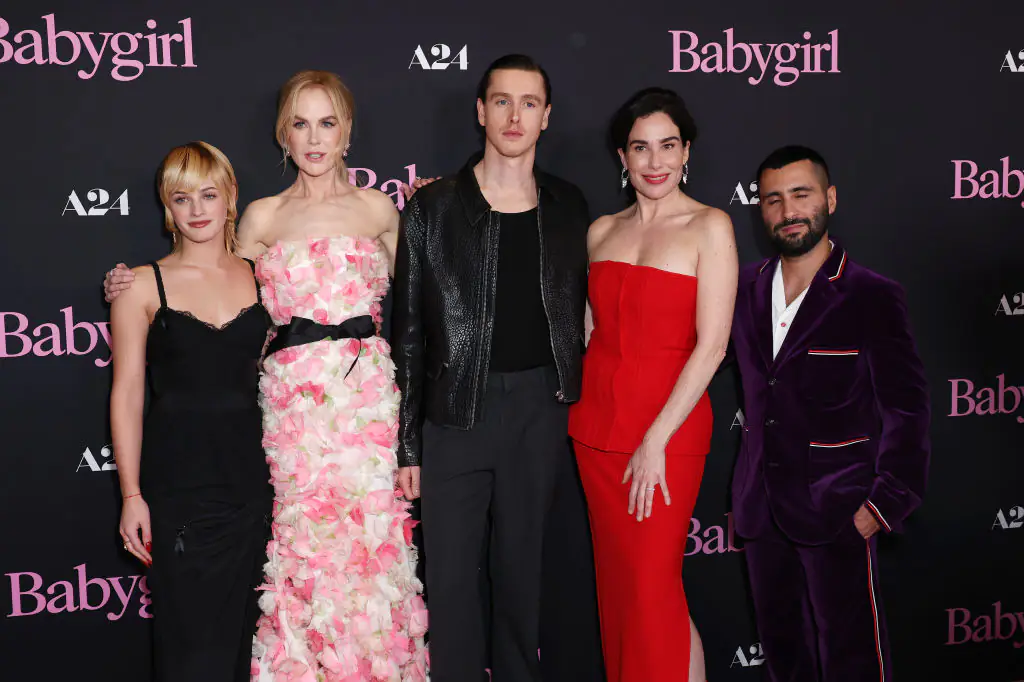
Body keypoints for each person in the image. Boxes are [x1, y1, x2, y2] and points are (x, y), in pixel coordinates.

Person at [104, 70, 428, 682]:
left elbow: (419, 307)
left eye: (326, 122)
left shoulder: (379, 210)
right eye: (299, 124)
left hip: (365, 410)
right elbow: (220, 292)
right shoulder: (259, 220)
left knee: (368, 555)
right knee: (301, 556)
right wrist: (127, 286)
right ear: (283, 134)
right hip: (292, 415)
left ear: (348, 131)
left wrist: (440, 206)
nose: (314, 138)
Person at [391, 54, 602, 682]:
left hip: (540, 410)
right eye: (502, 101)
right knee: (450, 586)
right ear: (481, 111)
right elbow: (406, 334)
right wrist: (408, 444)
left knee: (521, 579)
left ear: (546, 117)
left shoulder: (570, 205)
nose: (515, 115)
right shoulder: (432, 209)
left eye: (529, 102)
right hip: (453, 414)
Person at [729, 145, 930, 682]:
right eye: (773, 199)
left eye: (801, 194)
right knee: (784, 657)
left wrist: (880, 507)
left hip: (839, 510)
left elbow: (907, 407)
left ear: (830, 199)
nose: (788, 210)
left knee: (853, 660)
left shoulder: (871, 295)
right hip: (761, 510)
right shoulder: (741, 287)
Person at [567, 87, 737, 682]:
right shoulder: (600, 232)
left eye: (668, 146)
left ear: (686, 151)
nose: (655, 161)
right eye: (641, 148)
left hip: (666, 436)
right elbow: (590, 334)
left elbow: (712, 345)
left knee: (649, 585)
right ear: (622, 157)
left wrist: (655, 440)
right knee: (623, 592)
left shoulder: (709, 226)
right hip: (595, 432)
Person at [110, 141, 274, 682]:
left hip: (258, 485)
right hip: (179, 488)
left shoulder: (269, 275)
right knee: (189, 650)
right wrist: (131, 495)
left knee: (258, 647)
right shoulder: (137, 285)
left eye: (209, 194)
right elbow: (129, 391)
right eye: (183, 198)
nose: (197, 209)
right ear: (167, 207)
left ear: (231, 199)